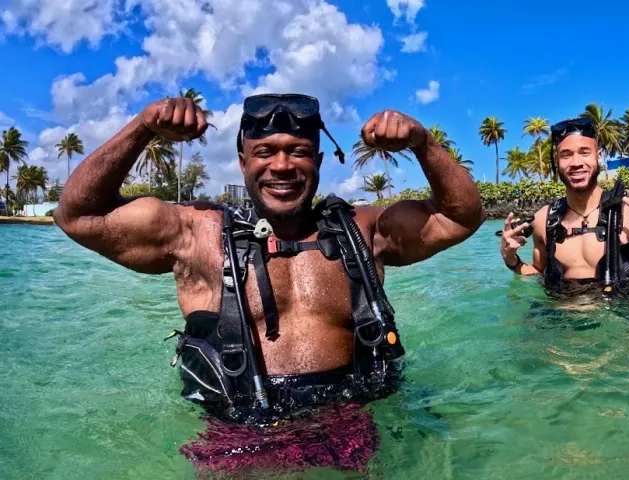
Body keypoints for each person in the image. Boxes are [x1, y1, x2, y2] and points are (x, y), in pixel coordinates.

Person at [54, 93, 483, 471]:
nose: (281, 166)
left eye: (298, 151)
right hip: (237, 437)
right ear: (243, 162)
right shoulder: (192, 233)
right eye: (264, 152)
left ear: (317, 161)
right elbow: (78, 216)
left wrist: (422, 144)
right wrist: (143, 127)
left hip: (349, 422)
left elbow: (460, 216)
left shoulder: (362, 230)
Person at [499, 117, 629, 294]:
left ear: (598, 157)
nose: (576, 163)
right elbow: (537, 273)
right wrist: (511, 260)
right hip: (563, 317)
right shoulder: (543, 220)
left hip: (622, 314)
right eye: (566, 155)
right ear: (557, 162)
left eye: (584, 152)